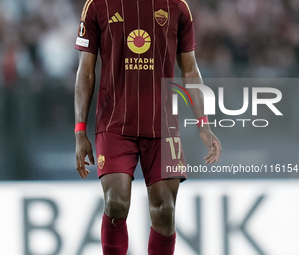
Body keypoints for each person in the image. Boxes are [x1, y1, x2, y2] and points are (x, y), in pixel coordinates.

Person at [74, 0, 222, 254]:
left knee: (165, 209)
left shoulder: (177, 7)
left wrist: (204, 124)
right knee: (116, 201)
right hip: (114, 124)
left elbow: (190, 68)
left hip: (163, 126)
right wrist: (80, 131)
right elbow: (85, 71)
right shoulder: (98, 5)